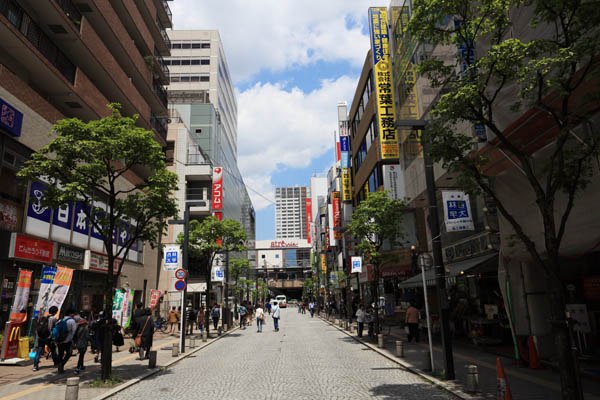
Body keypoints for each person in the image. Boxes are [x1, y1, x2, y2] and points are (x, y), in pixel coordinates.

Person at [32, 306, 59, 371]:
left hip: (41, 337)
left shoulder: (43, 317)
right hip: (48, 337)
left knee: (39, 351)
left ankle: (35, 365)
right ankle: (56, 362)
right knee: (53, 349)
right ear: (55, 312)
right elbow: (54, 328)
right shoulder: (53, 318)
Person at [55, 309, 77, 374]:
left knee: (60, 354)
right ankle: (62, 364)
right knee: (69, 353)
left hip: (59, 341)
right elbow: (74, 331)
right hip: (68, 340)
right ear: (70, 314)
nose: (73, 315)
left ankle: (60, 367)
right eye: (73, 314)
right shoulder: (72, 321)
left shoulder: (60, 320)